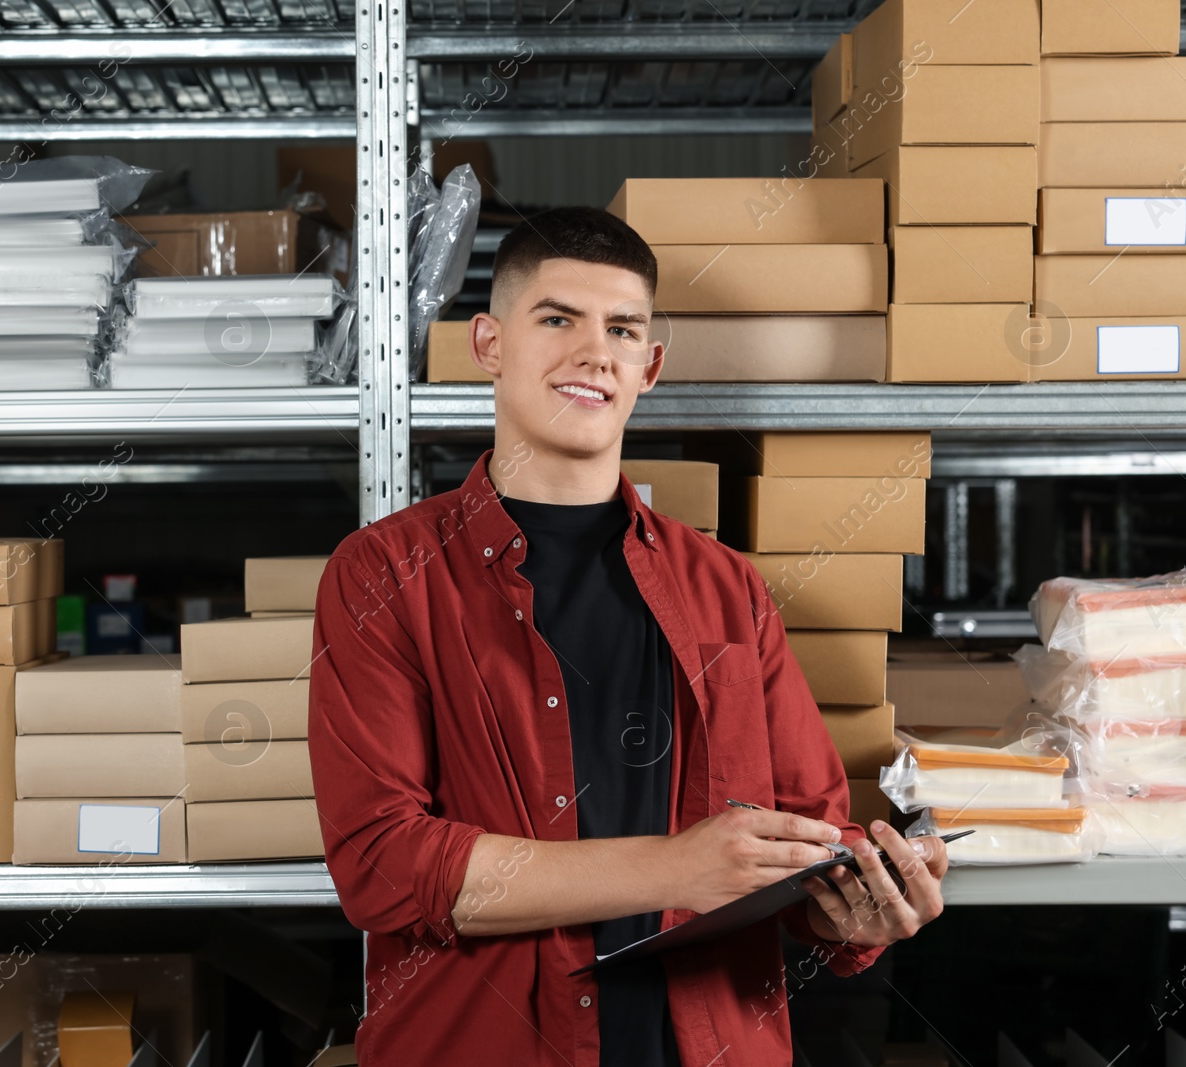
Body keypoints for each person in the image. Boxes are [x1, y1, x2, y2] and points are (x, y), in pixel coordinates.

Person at [307, 205, 950, 1066]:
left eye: (620, 328)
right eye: (557, 319)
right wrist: (673, 869)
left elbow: (807, 836)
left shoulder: (727, 589)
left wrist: (860, 909)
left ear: (648, 366)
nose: (593, 351)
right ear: (488, 344)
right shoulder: (385, 574)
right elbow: (382, 863)